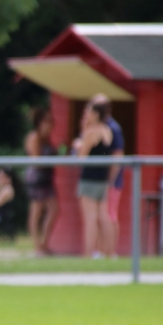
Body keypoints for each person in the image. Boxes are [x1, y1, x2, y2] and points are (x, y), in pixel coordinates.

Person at [73, 101, 115, 258]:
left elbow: (81, 158)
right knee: (104, 217)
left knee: (90, 218)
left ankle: (89, 253)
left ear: (96, 114)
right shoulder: (107, 131)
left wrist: (78, 146)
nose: (86, 115)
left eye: (89, 112)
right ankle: (109, 253)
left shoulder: (91, 132)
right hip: (102, 180)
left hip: (89, 180)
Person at [89, 94, 125, 258]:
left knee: (109, 215)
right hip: (102, 180)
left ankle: (111, 252)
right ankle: (103, 252)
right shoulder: (100, 126)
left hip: (110, 181)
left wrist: (110, 180)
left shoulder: (113, 128)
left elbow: (117, 156)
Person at [24, 107, 59, 256]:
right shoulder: (34, 137)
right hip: (37, 179)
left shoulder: (47, 139)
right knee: (36, 212)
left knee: (54, 210)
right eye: (48, 121)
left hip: (47, 178)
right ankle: (37, 245)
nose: (51, 125)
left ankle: (44, 243)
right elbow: (36, 160)